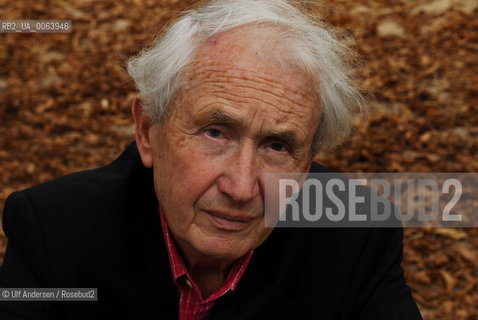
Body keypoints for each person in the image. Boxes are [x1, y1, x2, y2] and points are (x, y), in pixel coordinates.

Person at [0, 0, 422, 319]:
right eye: (215, 133)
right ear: (148, 131)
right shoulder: (54, 231)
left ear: (308, 161)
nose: (241, 188)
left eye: (278, 146)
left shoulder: (358, 232)